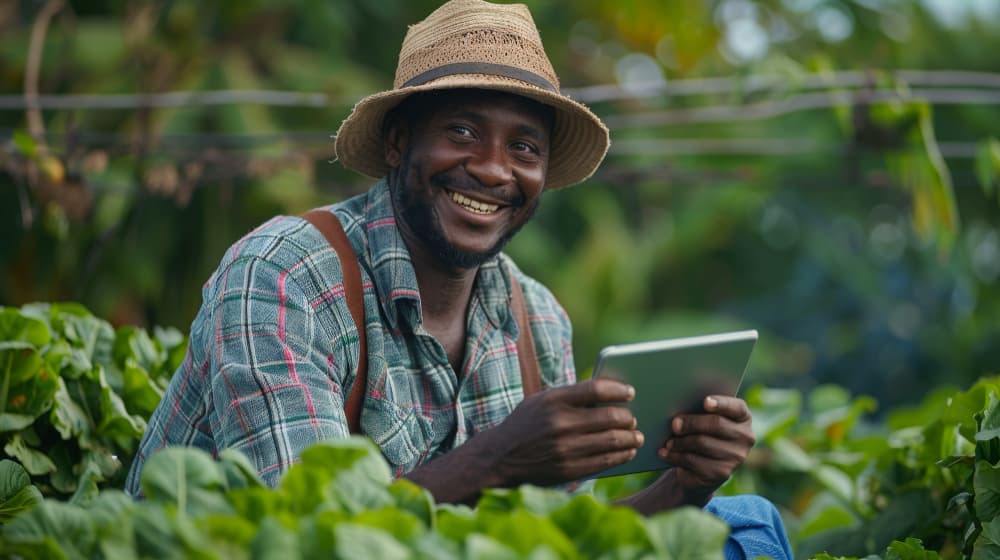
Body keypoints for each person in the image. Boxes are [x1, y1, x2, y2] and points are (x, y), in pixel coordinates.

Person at [126, 1, 793, 557]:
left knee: (747, 527)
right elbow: (301, 535)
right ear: (397, 144)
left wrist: (685, 487)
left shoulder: (535, 317)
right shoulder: (284, 273)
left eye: (524, 147)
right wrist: (496, 459)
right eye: (463, 130)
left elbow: (561, 545)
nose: (494, 170)